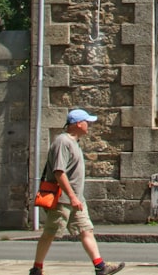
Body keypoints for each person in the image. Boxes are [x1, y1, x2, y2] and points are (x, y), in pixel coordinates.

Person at [29, 108, 124, 275]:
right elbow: (59, 172)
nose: (89, 125)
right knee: (50, 233)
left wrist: (76, 198)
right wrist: (72, 197)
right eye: (87, 122)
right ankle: (37, 268)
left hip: (76, 199)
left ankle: (100, 267)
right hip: (63, 199)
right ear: (78, 124)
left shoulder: (74, 142)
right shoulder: (62, 142)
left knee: (86, 230)